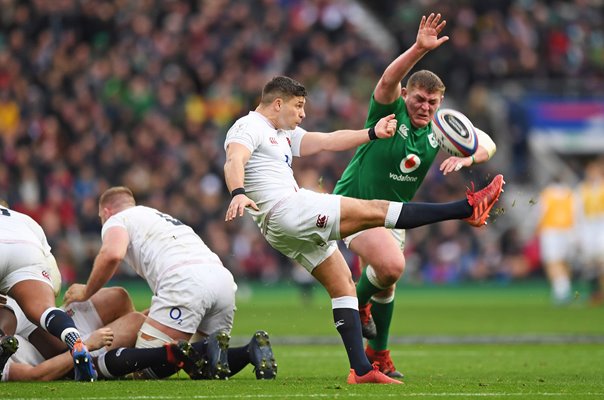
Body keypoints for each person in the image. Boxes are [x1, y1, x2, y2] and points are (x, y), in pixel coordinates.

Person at [223, 75, 504, 384]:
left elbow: (327, 140)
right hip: (287, 209)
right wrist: (237, 192)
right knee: (376, 210)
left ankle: (361, 370)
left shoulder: (280, 133)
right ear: (278, 104)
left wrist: (370, 133)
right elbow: (235, 158)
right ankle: (465, 209)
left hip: (280, 226)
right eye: (299, 107)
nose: (303, 114)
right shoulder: (248, 127)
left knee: (343, 285)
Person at [332, 13, 500, 377]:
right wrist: (417, 50)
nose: (425, 107)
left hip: (393, 214)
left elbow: (488, 143)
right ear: (407, 95)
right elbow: (388, 78)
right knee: (391, 266)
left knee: (387, 285)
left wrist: (468, 158)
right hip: (356, 204)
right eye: (420, 99)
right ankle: (353, 306)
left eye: (433, 102)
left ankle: (378, 358)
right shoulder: (390, 110)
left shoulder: (439, 130)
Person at [63, 186, 276, 380]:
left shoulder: (117, 220)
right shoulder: (157, 216)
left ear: (106, 212)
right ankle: (251, 350)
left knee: (142, 368)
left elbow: (111, 254)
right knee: (203, 363)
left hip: (184, 281)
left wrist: (86, 292)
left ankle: (247, 350)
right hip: (221, 279)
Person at [0, 203, 97, 381]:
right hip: (26, 251)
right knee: (45, 310)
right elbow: (54, 276)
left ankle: (2, 342)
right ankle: (76, 342)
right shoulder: (24, 219)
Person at [536, 175, 576, 305]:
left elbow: (540, 213)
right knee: (563, 262)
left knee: (552, 262)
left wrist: (535, 229)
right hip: (568, 231)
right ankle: (564, 289)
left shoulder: (547, 193)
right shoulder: (570, 193)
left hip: (551, 230)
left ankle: (561, 292)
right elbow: (577, 213)